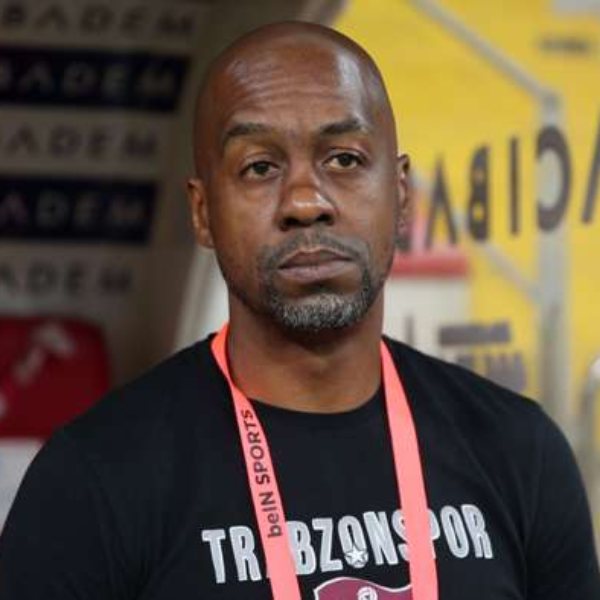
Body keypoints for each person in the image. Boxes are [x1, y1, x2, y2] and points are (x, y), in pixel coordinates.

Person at [0, 21, 598, 600]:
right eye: (260, 167)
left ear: (401, 193)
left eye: (344, 159)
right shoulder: (94, 479)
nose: (306, 202)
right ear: (203, 214)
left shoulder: (521, 452)